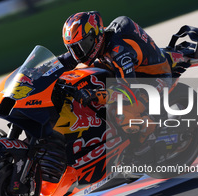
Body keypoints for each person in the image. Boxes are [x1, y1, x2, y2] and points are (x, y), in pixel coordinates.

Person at [57, 11, 175, 144]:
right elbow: (63, 61)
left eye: (82, 46)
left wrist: (95, 95)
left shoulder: (118, 50)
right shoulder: (98, 42)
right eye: (73, 49)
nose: (79, 54)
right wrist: (37, 73)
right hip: (128, 71)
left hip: (154, 78)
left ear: (95, 36)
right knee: (80, 74)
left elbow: (129, 91)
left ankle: (147, 144)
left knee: (124, 115)